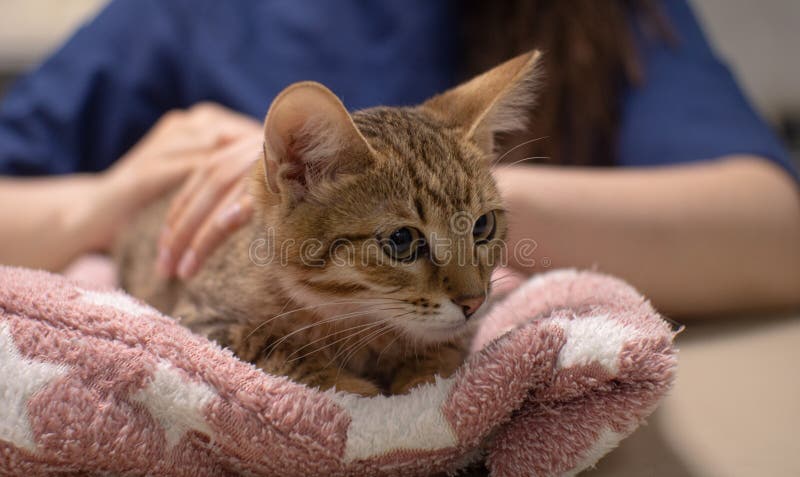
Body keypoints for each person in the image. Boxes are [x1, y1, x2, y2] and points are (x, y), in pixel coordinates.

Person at [0, 0, 797, 317]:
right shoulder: (186, 15)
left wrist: (461, 197)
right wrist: (100, 200)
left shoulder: (601, 14)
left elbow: (776, 232)